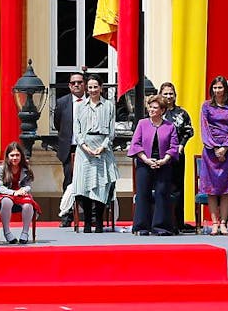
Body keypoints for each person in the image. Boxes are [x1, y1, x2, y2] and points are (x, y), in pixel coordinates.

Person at [72, 75, 118, 233]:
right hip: (84, 150)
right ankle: (86, 223)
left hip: (102, 149)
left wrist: (102, 147)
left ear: (101, 87)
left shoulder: (109, 106)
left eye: (95, 87)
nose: (92, 90)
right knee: (84, 186)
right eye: (90, 87)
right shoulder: (79, 106)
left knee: (101, 186)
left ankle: (99, 222)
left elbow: (111, 131)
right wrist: (85, 147)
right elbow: (77, 131)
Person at [128, 95, 179, 236]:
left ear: (162, 110)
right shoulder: (142, 124)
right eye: (150, 107)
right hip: (145, 162)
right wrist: (146, 160)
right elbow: (135, 144)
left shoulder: (170, 126)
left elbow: (174, 146)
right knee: (143, 193)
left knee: (162, 193)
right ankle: (141, 227)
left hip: (163, 163)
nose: (151, 109)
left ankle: (161, 227)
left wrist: (164, 160)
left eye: (155, 107)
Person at [199, 76, 228, 236]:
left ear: (225, 89)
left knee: (225, 190)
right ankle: (214, 223)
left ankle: (223, 223)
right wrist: (216, 148)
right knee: (211, 190)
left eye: (220, 87)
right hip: (211, 151)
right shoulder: (206, 106)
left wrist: (225, 148)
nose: (217, 90)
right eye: (215, 88)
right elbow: (204, 128)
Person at [160, 82, 195, 233]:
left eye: (171, 94)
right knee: (163, 187)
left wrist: (182, 145)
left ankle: (178, 222)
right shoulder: (157, 112)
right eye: (165, 94)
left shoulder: (182, 113)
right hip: (160, 156)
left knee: (178, 188)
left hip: (177, 155)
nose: (168, 96)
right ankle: (163, 221)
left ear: (175, 95)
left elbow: (189, 131)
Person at [0, 141, 39, 244]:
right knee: (6, 201)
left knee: (28, 204)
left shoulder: (26, 168)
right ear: (7, 156)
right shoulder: (2, 168)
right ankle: (7, 232)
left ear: (21, 156)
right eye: (12, 155)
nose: (15, 158)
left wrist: (23, 190)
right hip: (5, 194)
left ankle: (25, 233)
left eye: (17, 155)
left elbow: (28, 185)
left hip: (21, 195)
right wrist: (13, 193)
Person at [54, 71, 86, 227]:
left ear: (84, 84)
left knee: (88, 181)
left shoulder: (91, 101)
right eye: (73, 83)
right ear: (69, 86)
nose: (77, 85)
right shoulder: (62, 102)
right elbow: (57, 124)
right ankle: (67, 216)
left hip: (87, 149)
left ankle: (90, 215)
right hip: (69, 148)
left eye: (80, 82)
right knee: (68, 182)